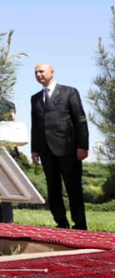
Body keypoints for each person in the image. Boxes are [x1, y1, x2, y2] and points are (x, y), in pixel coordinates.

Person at [31, 63, 89, 230]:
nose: (38, 74)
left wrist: (82, 145)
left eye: (41, 71)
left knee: (73, 188)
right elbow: (35, 125)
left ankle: (80, 224)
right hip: (46, 150)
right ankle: (61, 223)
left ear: (52, 72)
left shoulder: (69, 92)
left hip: (68, 149)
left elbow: (80, 119)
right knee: (53, 188)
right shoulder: (35, 98)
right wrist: (34, 149)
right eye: (36, 72)